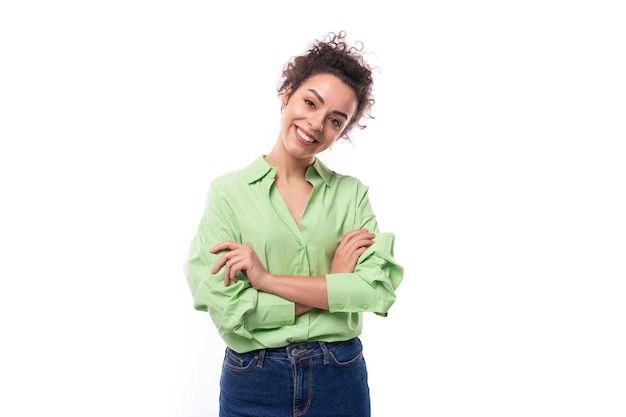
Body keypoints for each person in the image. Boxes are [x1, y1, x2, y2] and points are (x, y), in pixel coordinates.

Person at [183, 30, 403, 417]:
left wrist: (266, 282)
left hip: (340, 374)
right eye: (310, 102)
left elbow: (374, 290)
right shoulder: (228, 193)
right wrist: (332, 286)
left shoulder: (351, 195)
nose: (317, 124)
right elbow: (229, 310)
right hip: (254, 378)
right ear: (287, 93)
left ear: (342, 132)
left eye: (335, 120)